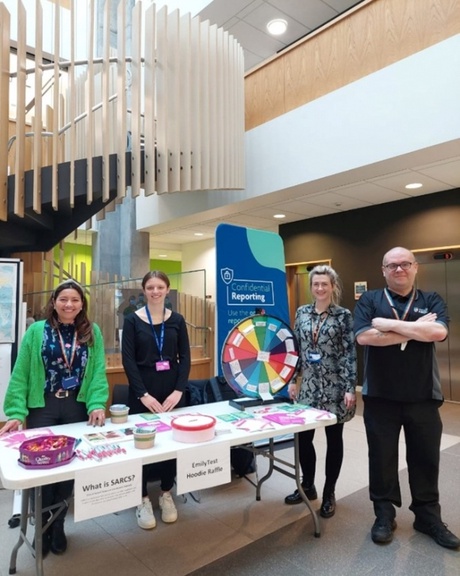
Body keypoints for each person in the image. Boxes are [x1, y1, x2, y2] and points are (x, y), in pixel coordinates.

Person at [353, 246, 460, 549]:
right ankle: (384, 516)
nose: (398, 269)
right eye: (392, 265)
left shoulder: (431, 299)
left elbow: (438, 333)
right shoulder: (370, 300)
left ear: (415, 267)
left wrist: (388, 325)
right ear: (383, 270)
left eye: (404, 264)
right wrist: (416, 328)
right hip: (380, 398)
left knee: (426, 459)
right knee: (382, 459)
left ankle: (428, 517)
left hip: (423, 396)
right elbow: (364, 337)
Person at [0, 279, 109, 557]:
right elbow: (21, 371)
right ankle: (42, 529)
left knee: (68, 469)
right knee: (43, 469)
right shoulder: (37, 331)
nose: (69, 304)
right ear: (54, 302)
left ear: (81, 304)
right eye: (63, 299)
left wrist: (97, 403)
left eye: (74, 299)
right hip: (43, 407)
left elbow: (97, 372)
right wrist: (15, 412)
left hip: (76, 407)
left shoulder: (91, 331)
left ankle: (58, 525)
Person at [285, 265, 356, 518]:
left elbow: (349, 353)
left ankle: (329, 492)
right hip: (310, 386)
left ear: (332, 286)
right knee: (304, 438)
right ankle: (308, 485)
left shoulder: (343, 315)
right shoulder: (302, 312)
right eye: (316, 284)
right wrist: (292, 380)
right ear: (311, 286)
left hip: (335, 386)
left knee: (333, 439)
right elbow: (296, 349)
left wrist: (350, 387)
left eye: (325, 284)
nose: (320, 288)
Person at [121, 270, 191, 530]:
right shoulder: (132, 320)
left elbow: (185, 358)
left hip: (172, 392)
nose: (155, 291)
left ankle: (165, 492)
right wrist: (143, 394)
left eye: (160, 286)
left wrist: (178, 391)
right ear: (144, 290)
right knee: (142, 446)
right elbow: (128, 360)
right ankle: (141, 499)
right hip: (143, 393)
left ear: (167, 290)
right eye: (150, 287)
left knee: (170, 445)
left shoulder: (178, 320)